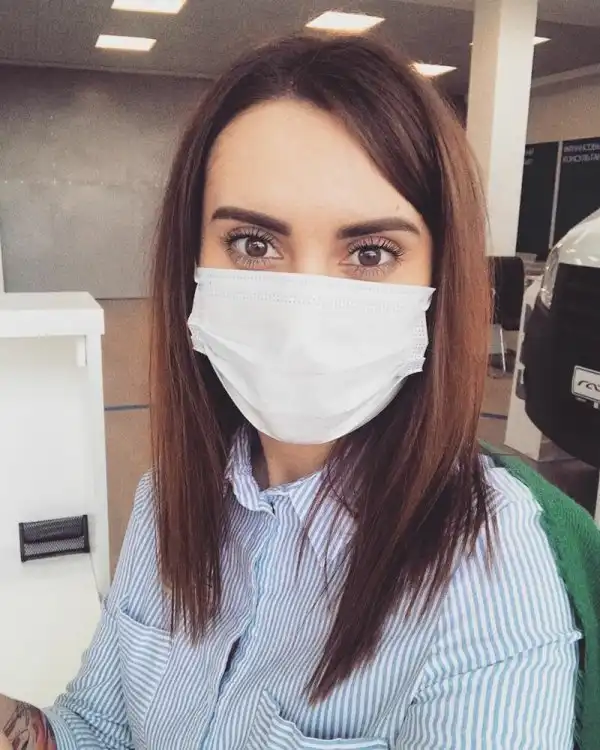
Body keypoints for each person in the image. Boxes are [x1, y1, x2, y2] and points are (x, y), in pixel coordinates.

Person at [0, 34, 581, 750]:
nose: (304, 309)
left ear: (439, 280)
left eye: (370, 253)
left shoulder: (489, 573)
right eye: (254, 244)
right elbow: (99, 729)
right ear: (191, 264)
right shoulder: (169, 500)